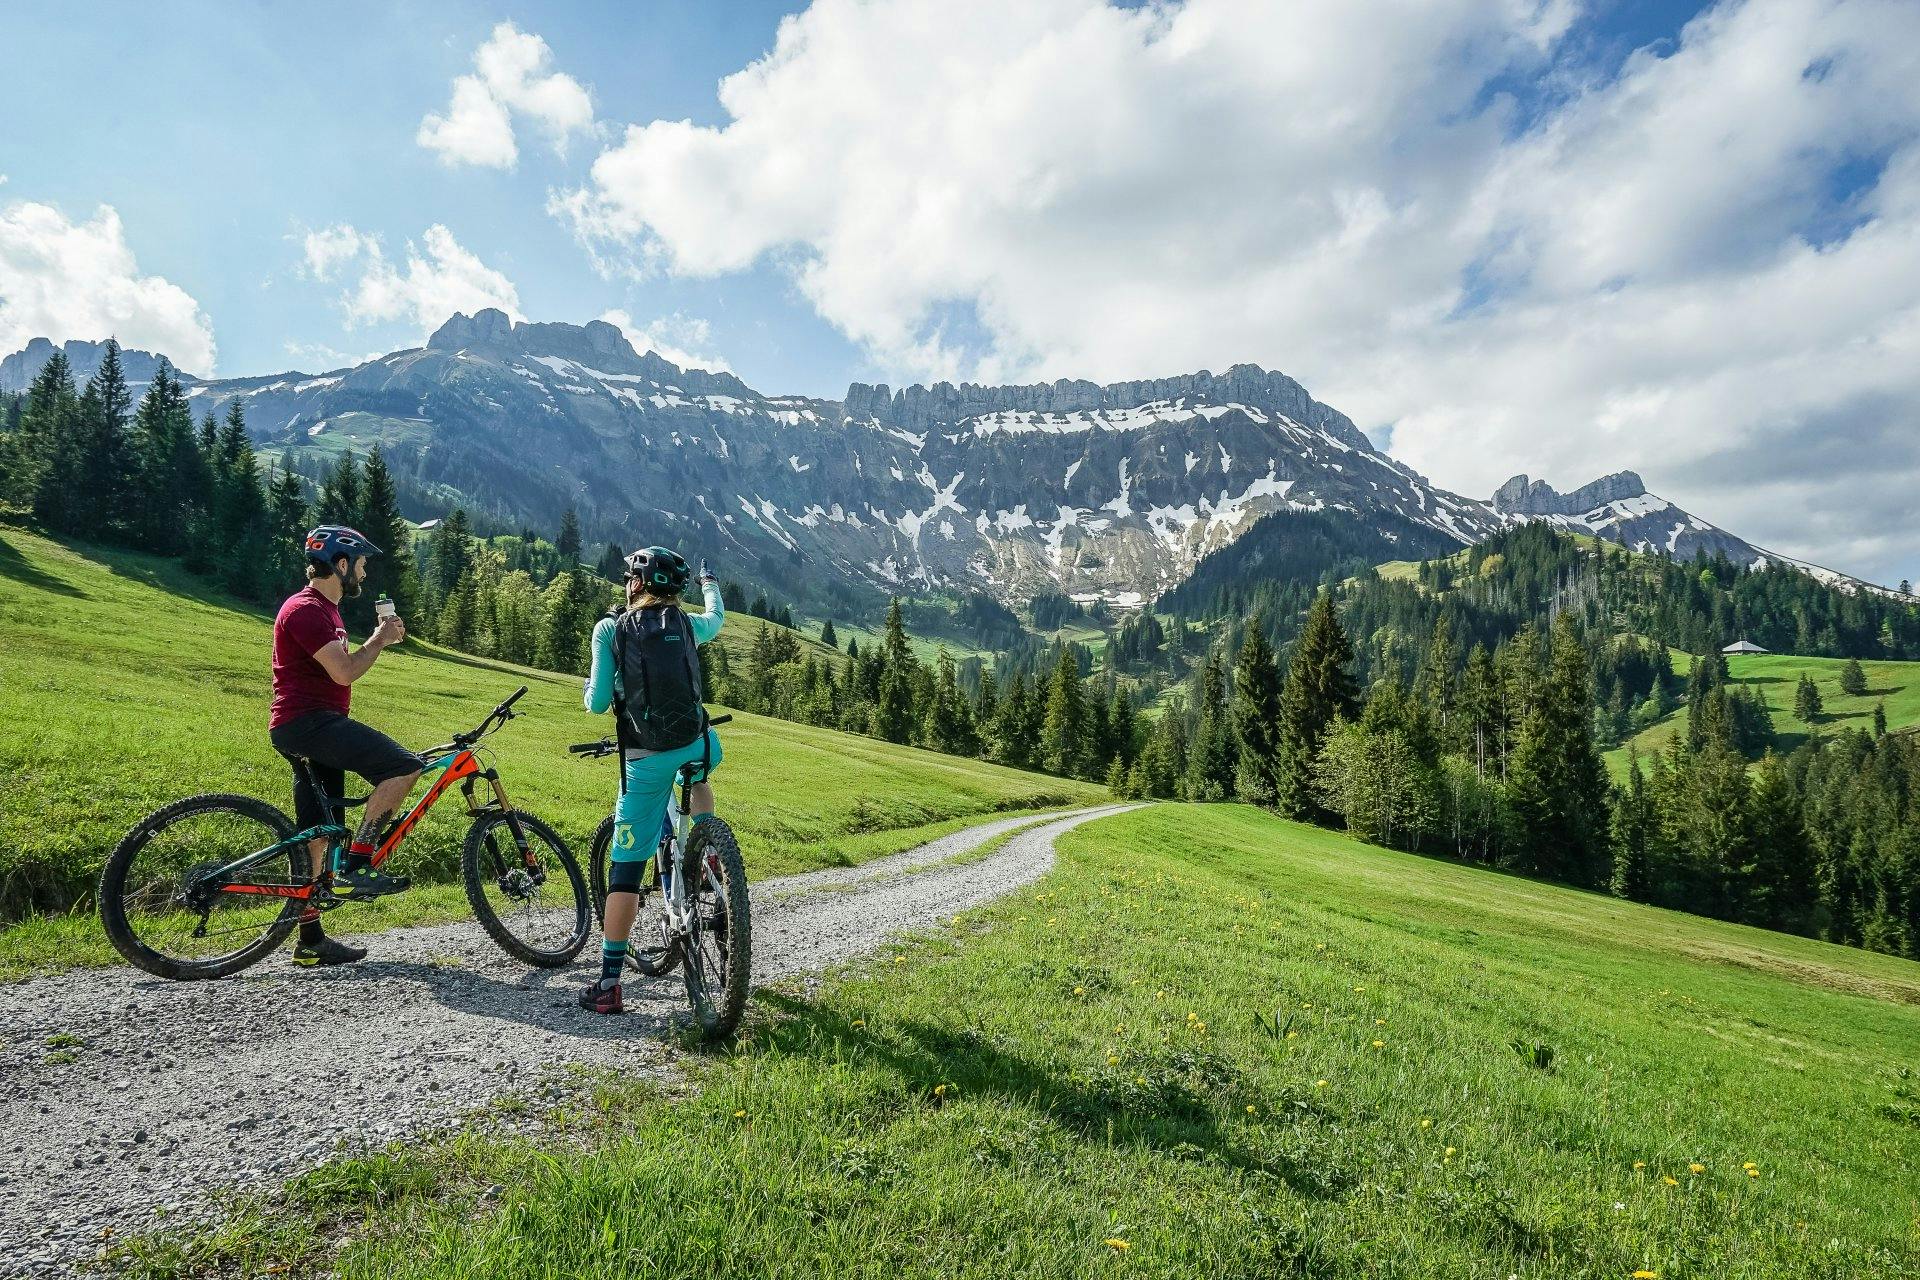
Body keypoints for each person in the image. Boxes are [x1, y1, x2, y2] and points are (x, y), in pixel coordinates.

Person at [267, 525, 423, 967]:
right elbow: (344, 672)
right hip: (309, 724)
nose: (364, 573)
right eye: (361, 564)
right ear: (341, 564)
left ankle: (310, 939)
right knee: (403, 767)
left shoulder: (327, 611)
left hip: (309, 727)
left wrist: (377, 638)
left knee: (319, 834)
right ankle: (358, 865)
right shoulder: (306, 609)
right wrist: (380, 639)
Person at [579, 545, 726, 1013]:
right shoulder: (687, 624)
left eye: (629, 577)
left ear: (638, 584)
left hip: (645, 759)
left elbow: (597, 704)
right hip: (699, 743)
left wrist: (589, 687)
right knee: (697, 776)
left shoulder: (611, 629)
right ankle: (709, 852)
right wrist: (710, 584)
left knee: (625, 870)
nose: (627, 583)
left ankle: (608, 984)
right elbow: (717, 618)